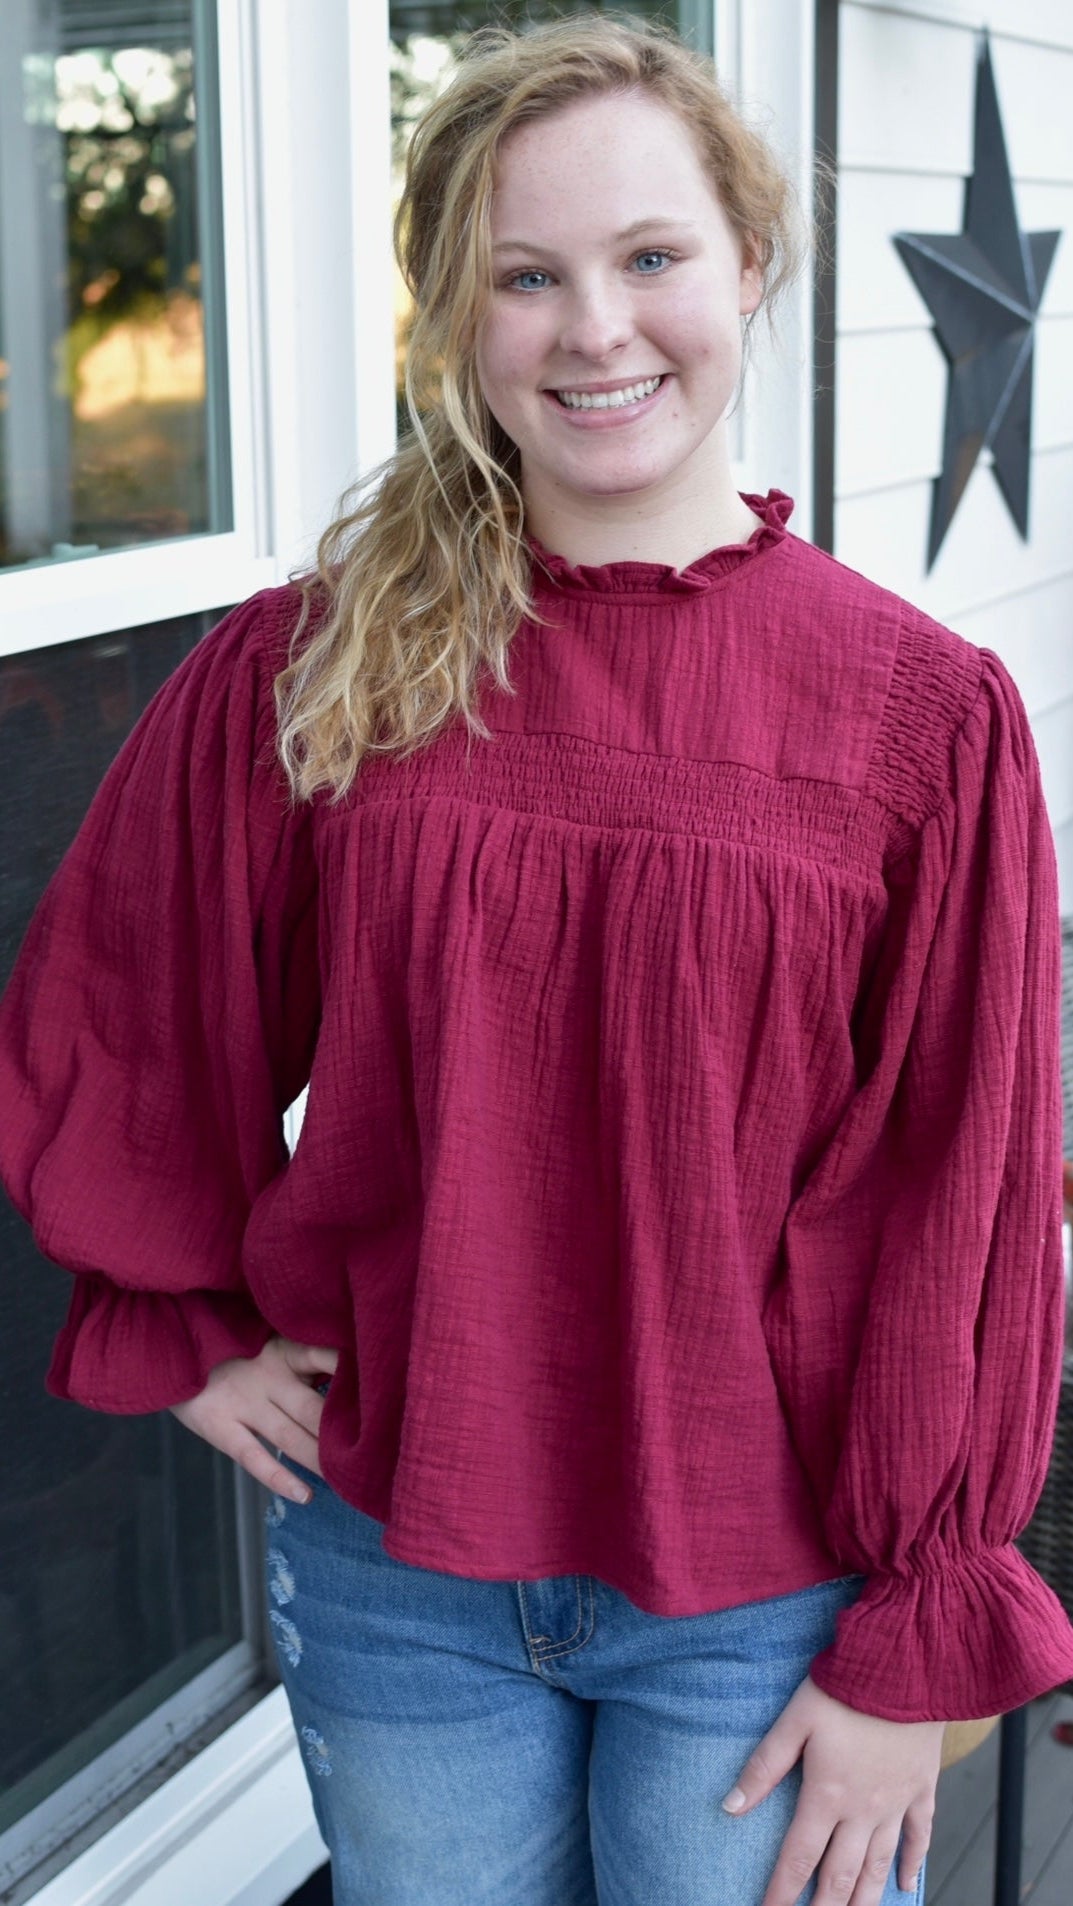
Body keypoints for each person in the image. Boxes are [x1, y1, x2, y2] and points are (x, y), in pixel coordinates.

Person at [2, 14, 1072, 1906]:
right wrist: (179, 1325)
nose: (595, 328)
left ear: (747, 264)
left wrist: (918, 1624)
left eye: (650, 257)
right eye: (527, 276)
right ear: (456, 316)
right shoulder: (321, 662)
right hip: (394, 1554)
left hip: (762, 1591)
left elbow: (957, 1196)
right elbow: (133, 999)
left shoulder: (921, 720)